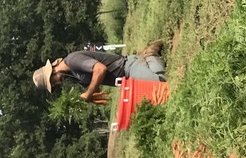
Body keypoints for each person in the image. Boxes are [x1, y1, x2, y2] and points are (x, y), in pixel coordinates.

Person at [32, 40, 166, 103]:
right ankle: (146, 63)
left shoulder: (72, 60)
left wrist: (89, 93)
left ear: (52, 73)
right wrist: (91, 97)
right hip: (127, 81)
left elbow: (100, 70)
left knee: (160, 86)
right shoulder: (72, 75)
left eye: (53, 82)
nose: (57, 84)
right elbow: (92, 87)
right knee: (154, 99)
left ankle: (148, 55)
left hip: (127, 67)